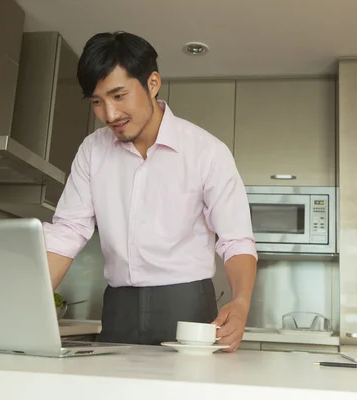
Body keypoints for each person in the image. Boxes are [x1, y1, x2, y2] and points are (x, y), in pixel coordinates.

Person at [43, 31, 257, 352]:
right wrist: (29, 301)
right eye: (97, 102)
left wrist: (240, 302)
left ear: (152, 83)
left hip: (187, 307)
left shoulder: (207, 151)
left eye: (119, 96)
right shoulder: (93, 150)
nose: (110, 115)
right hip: (118, 307)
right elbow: (68, 231)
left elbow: (235, 239)